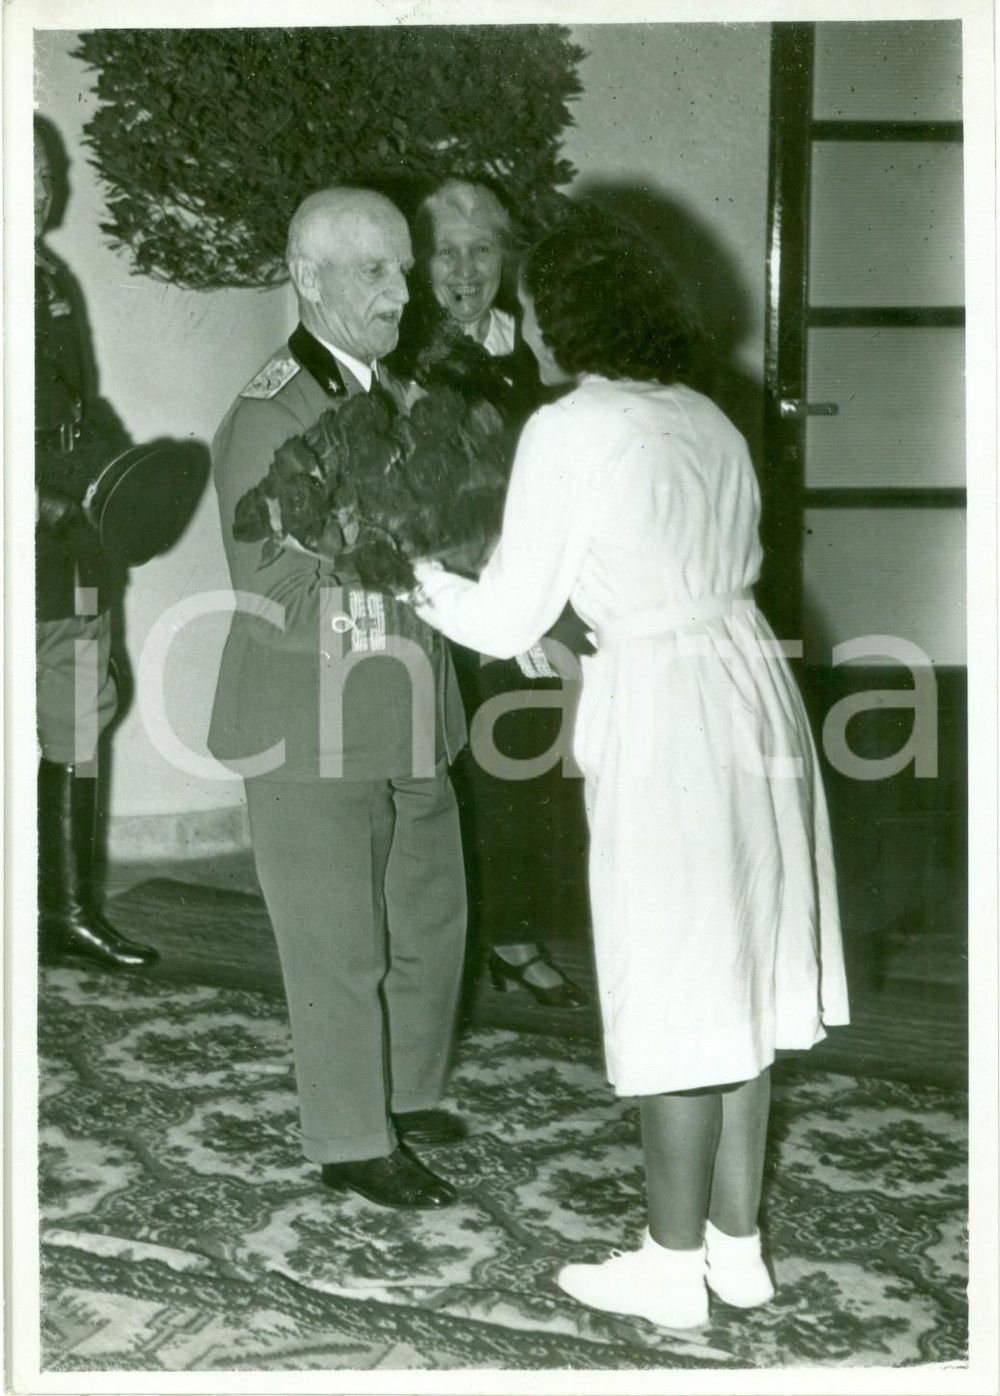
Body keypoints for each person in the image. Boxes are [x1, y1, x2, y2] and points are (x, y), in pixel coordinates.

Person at [407, 204, 850, 1325]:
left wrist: (412, 570)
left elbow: (505, 609)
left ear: (564, 316)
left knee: (674, 979)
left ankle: (668, 1264)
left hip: (666, 706)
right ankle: (735, 1249)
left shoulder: (574, 425)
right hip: (750, 684)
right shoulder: (706, 415)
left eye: (530, 304)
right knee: (740, 971)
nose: (525, 324)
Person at [209, 187, 469, 1210]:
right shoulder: (271, 411)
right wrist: (402, 557)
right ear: (306, 278)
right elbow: (270, 584)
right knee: (338, 945)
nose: (402, 291)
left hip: (411, 706)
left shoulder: (397, 392)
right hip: (314, 716)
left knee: (428, 919)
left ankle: (404, 1090)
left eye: (403, 269)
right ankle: (352, 1136)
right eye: (374, 271)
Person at [404, 178, 590, 1009]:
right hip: (437, 584)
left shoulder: (533, 350)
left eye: (481, 250)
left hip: (527, 580)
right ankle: (445, 944)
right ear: (420, 263)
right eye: (446, 252)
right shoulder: (400, 350)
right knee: (446, 766)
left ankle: (513, 936)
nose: (465, 270)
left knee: (523, 757)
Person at [34, 116, 160, 972]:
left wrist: (126, 478)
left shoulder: (49, 277)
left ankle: (68, 913)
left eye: (48, 176)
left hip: (67, 540)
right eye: (24, 178)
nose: (43, 193)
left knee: (78, 707)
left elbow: (77, 404)